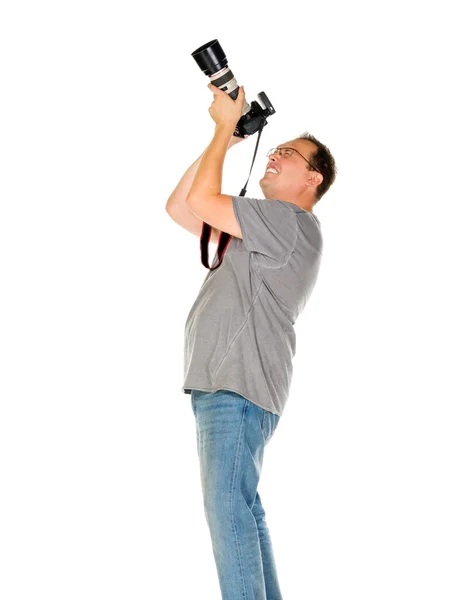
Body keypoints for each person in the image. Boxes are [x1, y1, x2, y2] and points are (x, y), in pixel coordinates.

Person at [165, 83, 337, 600]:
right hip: (230, 387)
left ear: (313, 178)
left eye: (288, 154)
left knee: (229, 516)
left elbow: (199, 199)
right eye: (275, 148)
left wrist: (222, 129)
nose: (276, 155)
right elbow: (180, 207)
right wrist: (229, 142)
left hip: (236, 387)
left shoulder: (289, 222)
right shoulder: (263, 228)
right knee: (243, 513)